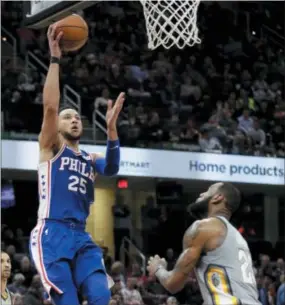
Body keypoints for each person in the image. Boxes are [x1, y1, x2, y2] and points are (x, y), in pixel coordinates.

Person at [29, 25, 124, 305]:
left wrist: (111, 131)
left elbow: (113, 167)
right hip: (51, 232)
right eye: (67, 116)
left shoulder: (89, 159)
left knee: (100, 295)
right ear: (56, 126)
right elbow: (50, 107)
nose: (74, 120)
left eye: (77, 117)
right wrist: (55, 60)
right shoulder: (51, 148)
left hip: (81, 235)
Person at [147, 182, 261, 305]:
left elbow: (173, 283)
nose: (202, 193)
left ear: (218, 197)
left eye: (208, 190)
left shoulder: (203, 227)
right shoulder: (238, 238)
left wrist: (158, 268)